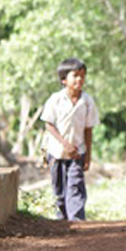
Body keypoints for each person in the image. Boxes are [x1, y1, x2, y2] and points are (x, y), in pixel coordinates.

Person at [41, 57, 100, 221]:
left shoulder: (86, 101)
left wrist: (87, 155)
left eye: (83, 75)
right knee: (59, 190)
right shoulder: (56, 99)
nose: (80, 79)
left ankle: (77, 222)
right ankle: (62, 222)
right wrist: (65, 144)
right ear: (64, 80)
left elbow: (88, 129)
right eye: (75, 75)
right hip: (56, 152)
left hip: (77, 153)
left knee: (75, 186)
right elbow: (49, 125)